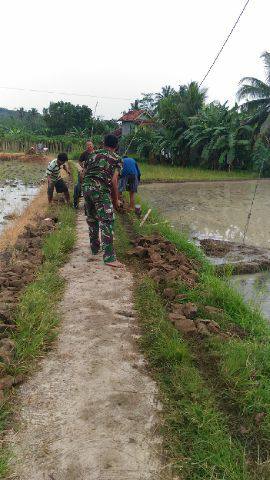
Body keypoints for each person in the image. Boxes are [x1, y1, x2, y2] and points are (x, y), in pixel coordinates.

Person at [82, 134, 123, 268]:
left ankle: (95, 249)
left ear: (103, 143)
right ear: (116, 146)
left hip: (86, 188)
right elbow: (114, 181)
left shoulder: (92, 154)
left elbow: (84, 172)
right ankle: (109, 257)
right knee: (107, 220)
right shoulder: (117, 159)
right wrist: (116, 200)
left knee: (92, 218)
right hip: (100, 189)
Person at [73, 140, 94, 208]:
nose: (89, 146)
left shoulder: (96, 153)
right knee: (78, 186)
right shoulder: (84, 153)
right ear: (86, 146)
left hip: (94, 172)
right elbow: (79, 161)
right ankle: (75, 203)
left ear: (93, 146)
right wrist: (83, 167)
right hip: (85, 171)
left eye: (90, 145)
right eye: (88, 145)